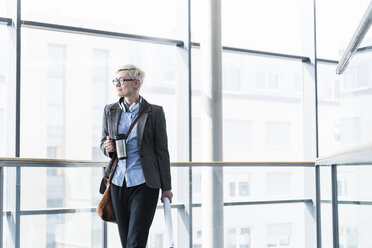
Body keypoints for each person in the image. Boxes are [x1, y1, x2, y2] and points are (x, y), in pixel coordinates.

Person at [100, 64, 173, 248]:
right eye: (115, 80)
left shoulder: (155, 112)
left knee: (136, 241)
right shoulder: (110, 110)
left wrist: (166, 187)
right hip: (117, 182)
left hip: (144, 184)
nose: (117, 84)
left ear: (136, 83)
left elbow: (162, 151)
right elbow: (102, 142)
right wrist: (108, 147)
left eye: (122, 80)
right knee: (126, 241)